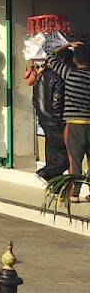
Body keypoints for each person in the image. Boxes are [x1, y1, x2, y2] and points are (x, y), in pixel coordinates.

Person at [49, 43, 90, 201]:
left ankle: (74, 193)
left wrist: (66, 45)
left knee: (75, 160)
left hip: (75, 125)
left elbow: (51, 56)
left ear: (74, 60)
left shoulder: (70, 75)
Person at [25, 60, 67, 181]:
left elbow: (34, 101)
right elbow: (57, 102)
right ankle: (46, 173)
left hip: (44, 120)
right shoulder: (58, 77)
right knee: (66, 156)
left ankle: (54, 185)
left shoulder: (40, 78)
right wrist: (59, 118)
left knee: (52, 152)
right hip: (55, 121)